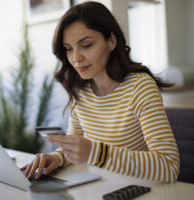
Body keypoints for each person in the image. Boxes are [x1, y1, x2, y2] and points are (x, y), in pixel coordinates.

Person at [21, 1, 180, 183]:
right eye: (68, 49)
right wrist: (58, 157)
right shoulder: (80, 90)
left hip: (139, 192)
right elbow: (77, 144)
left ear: (111, 41)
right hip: (102, 188)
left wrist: (96, 152)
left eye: (86, 45)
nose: (76, 58)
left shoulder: (140, 87)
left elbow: (169, 167)